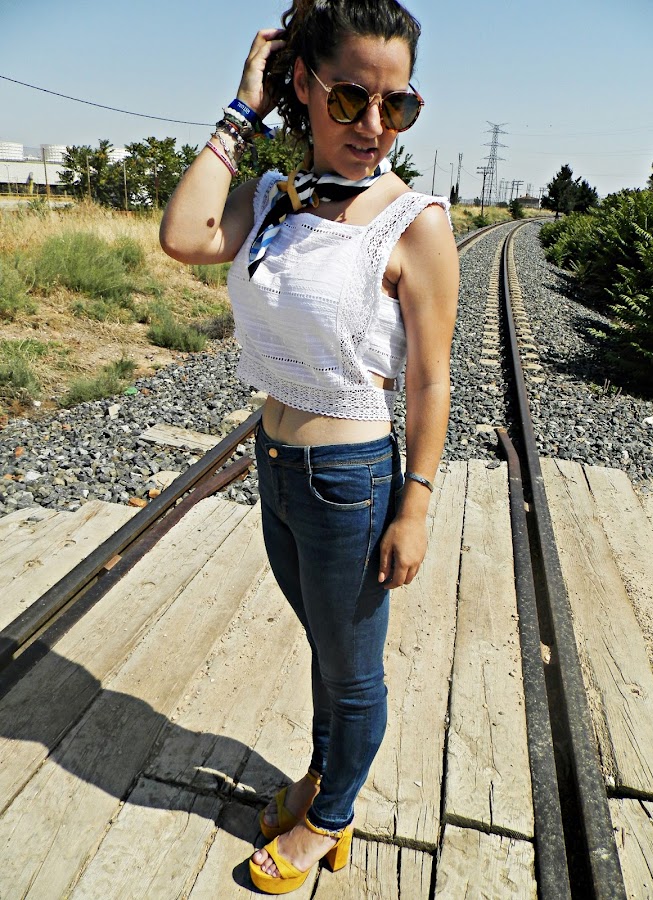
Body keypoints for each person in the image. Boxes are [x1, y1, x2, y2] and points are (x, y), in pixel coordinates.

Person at [160, 0, 458, 893]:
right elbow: (183, 236)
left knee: (352, 670)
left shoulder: (413, 222)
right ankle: (326, 777)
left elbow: (430, 381)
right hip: (278, 464)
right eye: (350, 99)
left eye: (397, 105)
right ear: (302, 83)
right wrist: (240, 110)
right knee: (325, 648)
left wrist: (415, 504)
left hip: (349, 479)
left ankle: (330, 818)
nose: (374, 126)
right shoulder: (278, 200)